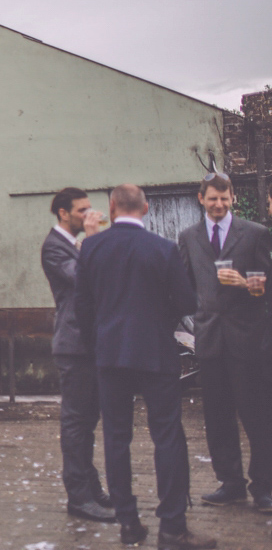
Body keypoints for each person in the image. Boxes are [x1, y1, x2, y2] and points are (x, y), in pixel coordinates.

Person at [75, 184, 214, 549]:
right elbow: (186, 301)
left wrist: (101, 341)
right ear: (147, 208)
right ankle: (172, 527)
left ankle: (128, 523)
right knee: (167, 436)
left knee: (116, 439)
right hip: (155, 354)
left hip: (110, 355)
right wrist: (155, 319)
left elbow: (82, 309)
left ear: (112, 208)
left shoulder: (91, 247)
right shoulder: (163, 249)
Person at [177, 172, 272, 511]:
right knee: (217, 416)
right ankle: (230, 483)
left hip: (249, 338)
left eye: (224, 198)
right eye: (212, 198)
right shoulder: (188, 236)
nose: (219, 204)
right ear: (201, 199)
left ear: (232, 198)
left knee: (258, 414)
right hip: (210, 339)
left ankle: (264, 486)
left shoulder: (257, 234)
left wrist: (246, 282)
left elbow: (267, 286)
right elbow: (184, 288)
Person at [41, 188, 114, 522]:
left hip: (92, 344)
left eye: (90, 209)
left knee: (88, 421)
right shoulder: (54, 247)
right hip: (74, 346)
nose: (89, 215)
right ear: (62, 213)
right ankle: (79, 497)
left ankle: (91, 487)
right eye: (81, 210)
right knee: (75, 422)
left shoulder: (74, 244)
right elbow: (85, 279)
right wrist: (95, 239)